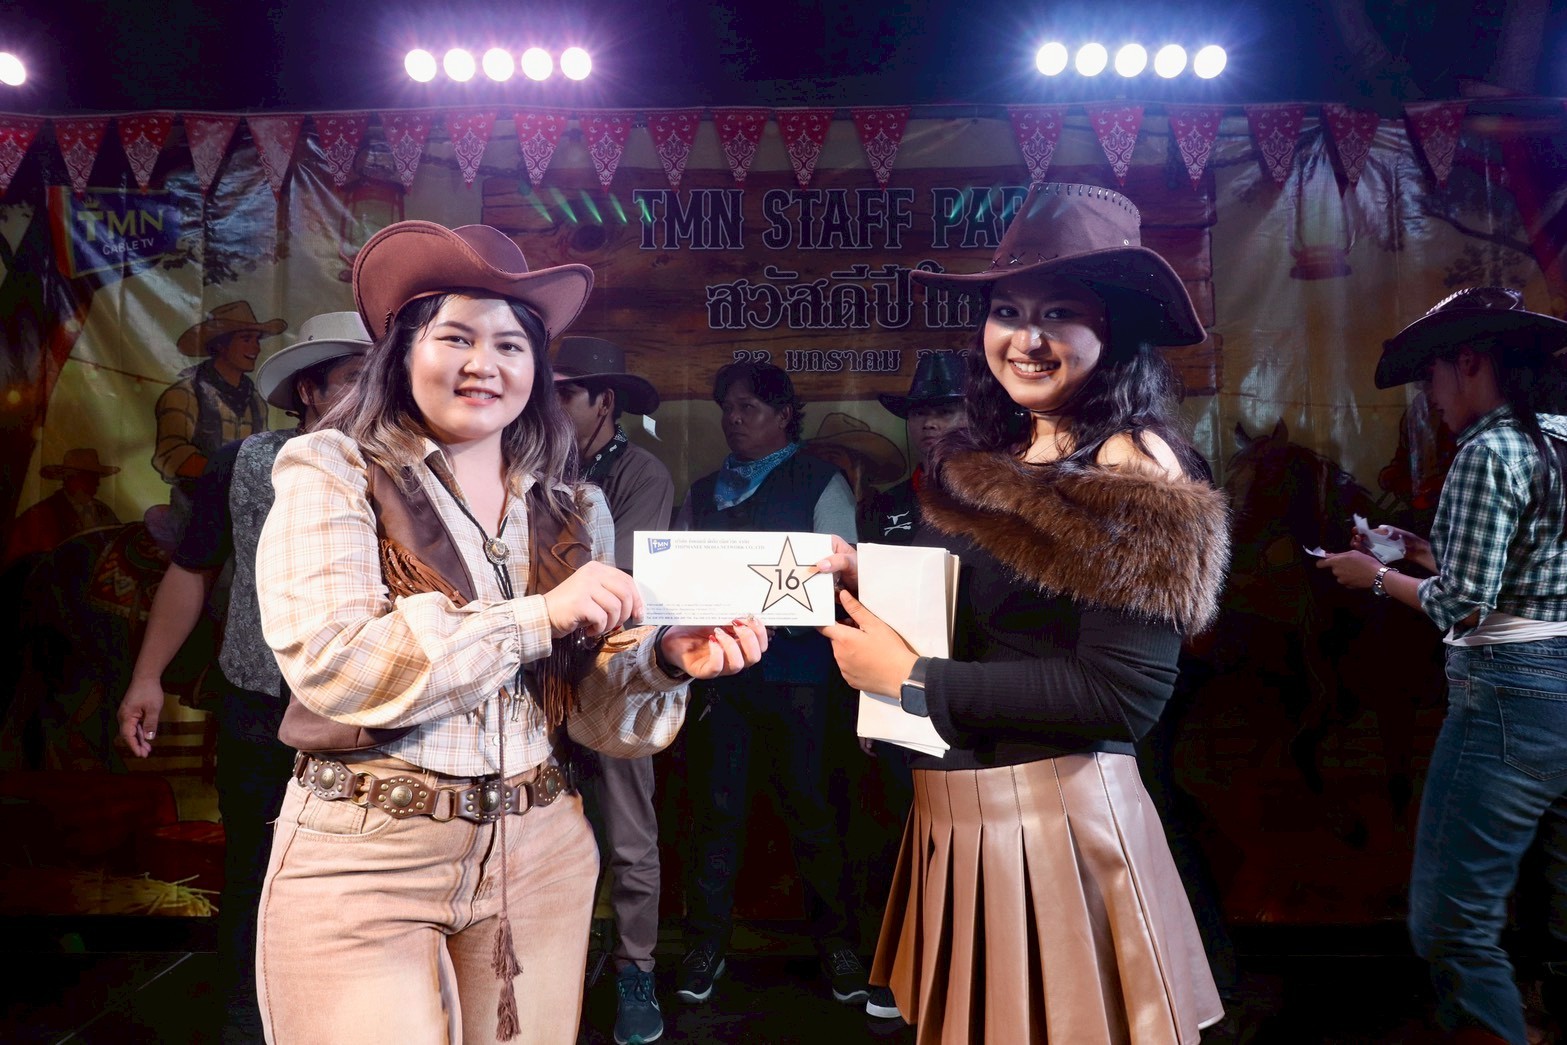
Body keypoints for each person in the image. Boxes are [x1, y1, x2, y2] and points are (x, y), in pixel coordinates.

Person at [251, 221, 767, 1044]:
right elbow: (333, 661)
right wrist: (540, 615)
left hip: (541, 849)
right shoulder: (331, 468)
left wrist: (666, 658)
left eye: (511, 344)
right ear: (403, 351)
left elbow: (590, 710)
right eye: (455, 336)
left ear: (538, 369)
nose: (483, 363)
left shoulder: (573, 504)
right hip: (369, 852)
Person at [817, 182, 1229, 1043]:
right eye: (1007, 311)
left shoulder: (1132, 463)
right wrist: (872, 575)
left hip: (1052, 828)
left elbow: (1121, 694)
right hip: (958, 818)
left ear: (1111, 330)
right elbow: (1006, 608)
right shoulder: (1002, 450)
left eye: (1057, 313)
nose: (1025, 338)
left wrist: (913, 679)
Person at [1319, 286, 1567, 1045]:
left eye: (1432, 376)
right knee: (1561, 916)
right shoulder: (1556, 440)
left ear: (1469, 362)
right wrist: (1419, 549)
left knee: (1451, 926)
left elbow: (1464, 605)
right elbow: (1528, 568)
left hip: (1509, 697)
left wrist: (1375, 577)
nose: (1429, 395)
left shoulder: (1486, 453)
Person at [116, 311, 372, 1042]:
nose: (368, 395)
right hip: (260, 703)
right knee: (255, 871)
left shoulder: (409, 467)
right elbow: (191, 572)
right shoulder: (246, 463)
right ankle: (248, 1020)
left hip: (371, 713)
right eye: (351, 379)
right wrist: (147, 678)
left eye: (378, 379)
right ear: (309, 391)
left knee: (365, 879)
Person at [674, 360, 868, 1008]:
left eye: (749, 408)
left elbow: (847, 578)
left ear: (785, 414)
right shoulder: (703, 492)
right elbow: (676, 584)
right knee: (715, 813)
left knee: (813, 812)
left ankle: (838, 945)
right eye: (727, 408)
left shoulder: (819, 481)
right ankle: (705, 945)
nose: (734, 420)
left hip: (801, 678)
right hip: (719, 682)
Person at [552, 335, 675, 1045]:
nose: (553, 405)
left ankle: (636, 970)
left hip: (616, 676)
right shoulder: (525, 464)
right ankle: (555, 968)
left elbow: (619, 584)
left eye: (567, 393)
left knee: (629, 836)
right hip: (536, 674)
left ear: (605, 401)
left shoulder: (642, 472)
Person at [153, 301, 284, 524]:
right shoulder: (185, 394)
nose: (256, 348)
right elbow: (171, 454)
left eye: (257, 340)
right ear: (222, 345)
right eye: (246, 339)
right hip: (194, 512)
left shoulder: (255, 401)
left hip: (242, 514)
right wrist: (224, 475)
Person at [861, 350, 967, 544]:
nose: (929, 423)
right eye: (919, 413)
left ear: (970, 419)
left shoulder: (992, 496)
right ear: (908, 420)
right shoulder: (884, 504)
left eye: (945, 412)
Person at [4, 448, 122, 566]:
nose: (96, 484)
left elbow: (119, 544)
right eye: (86, 478)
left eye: (95, 477)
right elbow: (18, 564)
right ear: (68, 478)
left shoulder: (104, 511)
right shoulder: (38, 516)